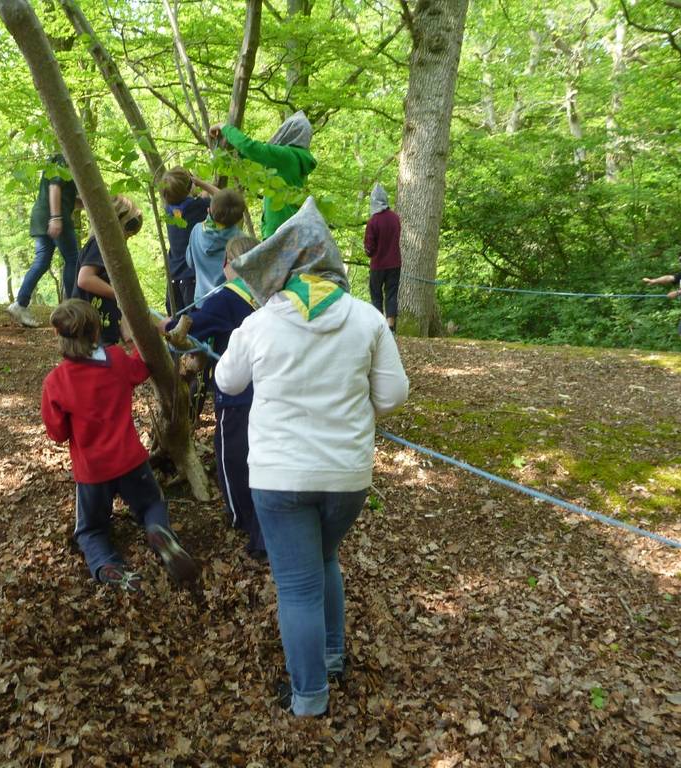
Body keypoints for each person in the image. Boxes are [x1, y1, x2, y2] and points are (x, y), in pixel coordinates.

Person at [215, 198, 410, 717]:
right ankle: (331, 655)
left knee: (298, 586)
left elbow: (227, 379)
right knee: (324, 559)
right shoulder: (366, 318)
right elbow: (392, 395)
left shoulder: (262, 321)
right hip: (346, 475)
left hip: (279, 478)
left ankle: (310, 697)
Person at [41, 299, 199, 591]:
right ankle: (158, 530)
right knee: (151, 503)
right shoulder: (114, 359)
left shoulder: (56, 381)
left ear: (58, 336)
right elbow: (141, 367)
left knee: (91, 529)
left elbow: (57, 433)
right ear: (96, 333)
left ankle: (108, 566)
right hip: (131, 461)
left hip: (93, 472)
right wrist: (135, 337)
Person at [161, 235, 265, 560]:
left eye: (225, 263)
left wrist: (166, 326)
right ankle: (261, 520)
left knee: (232, 459)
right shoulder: (268, 297)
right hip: (269, 393)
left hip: (235, 395)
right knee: (261, 458)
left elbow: (190, 331)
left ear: (230, 264)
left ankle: (242, 518)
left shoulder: (225, 298)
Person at [209, 111, 317, 239]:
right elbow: (255, 158)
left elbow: (251, 148)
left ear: (290, 130)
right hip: (290, 228)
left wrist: (224, 127)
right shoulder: (297, 159)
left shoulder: (286, 156)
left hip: (278, 231)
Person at [8, 154, 81, 328]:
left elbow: (71, 199)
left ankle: (20, 304)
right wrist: (56, 217)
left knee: (42, 261)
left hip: (42, 216)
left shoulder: (60, 161)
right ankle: (71, 310)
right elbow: (54, 187)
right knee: (73, 259)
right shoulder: (63, 159)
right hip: (54, 216)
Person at [75, 196, 142, 346]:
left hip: (102, 329)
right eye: (128, 232)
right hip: (91, 328)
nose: (128, 239)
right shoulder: (99, 244)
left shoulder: (106, 248)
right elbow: (85, 279)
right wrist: (119, 295)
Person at [160, 167, 214, 313]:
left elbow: (191, 201)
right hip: (192, 279)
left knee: (177, 328)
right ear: (191, 185)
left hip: (174, 280)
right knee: (194, 327)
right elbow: (222, 197)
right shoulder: (199, 207)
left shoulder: (169, 212)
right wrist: (201, 183)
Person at [185, 188, 246, 305]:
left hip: (202, 302)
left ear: (208, 210)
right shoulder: (241, 240)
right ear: (239, 219)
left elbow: (190, 262)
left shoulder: (197, 230)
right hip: (230, 302)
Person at [364, 183, 402, 333]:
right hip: (394, 264)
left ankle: (379, 326)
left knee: (376, 294)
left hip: (378, 264)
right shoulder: (395, 218)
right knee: (391, 294)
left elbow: (369, 247)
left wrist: (368, 251)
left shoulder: (373, 221)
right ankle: (390, 326)